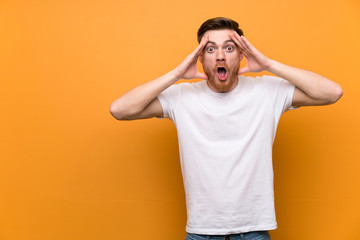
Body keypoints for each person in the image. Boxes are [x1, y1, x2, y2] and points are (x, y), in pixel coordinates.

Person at [109, 17, 343, 240]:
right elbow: (120, 110)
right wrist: (176, 74)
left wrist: (268, 65)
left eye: (229, 48)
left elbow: (332, 93)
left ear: (242, 54)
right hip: (201, 231)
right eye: (210, 49)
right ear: (200, 57)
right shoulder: (182, 96)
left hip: (254, 230)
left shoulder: (267, 91)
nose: (220, 56)